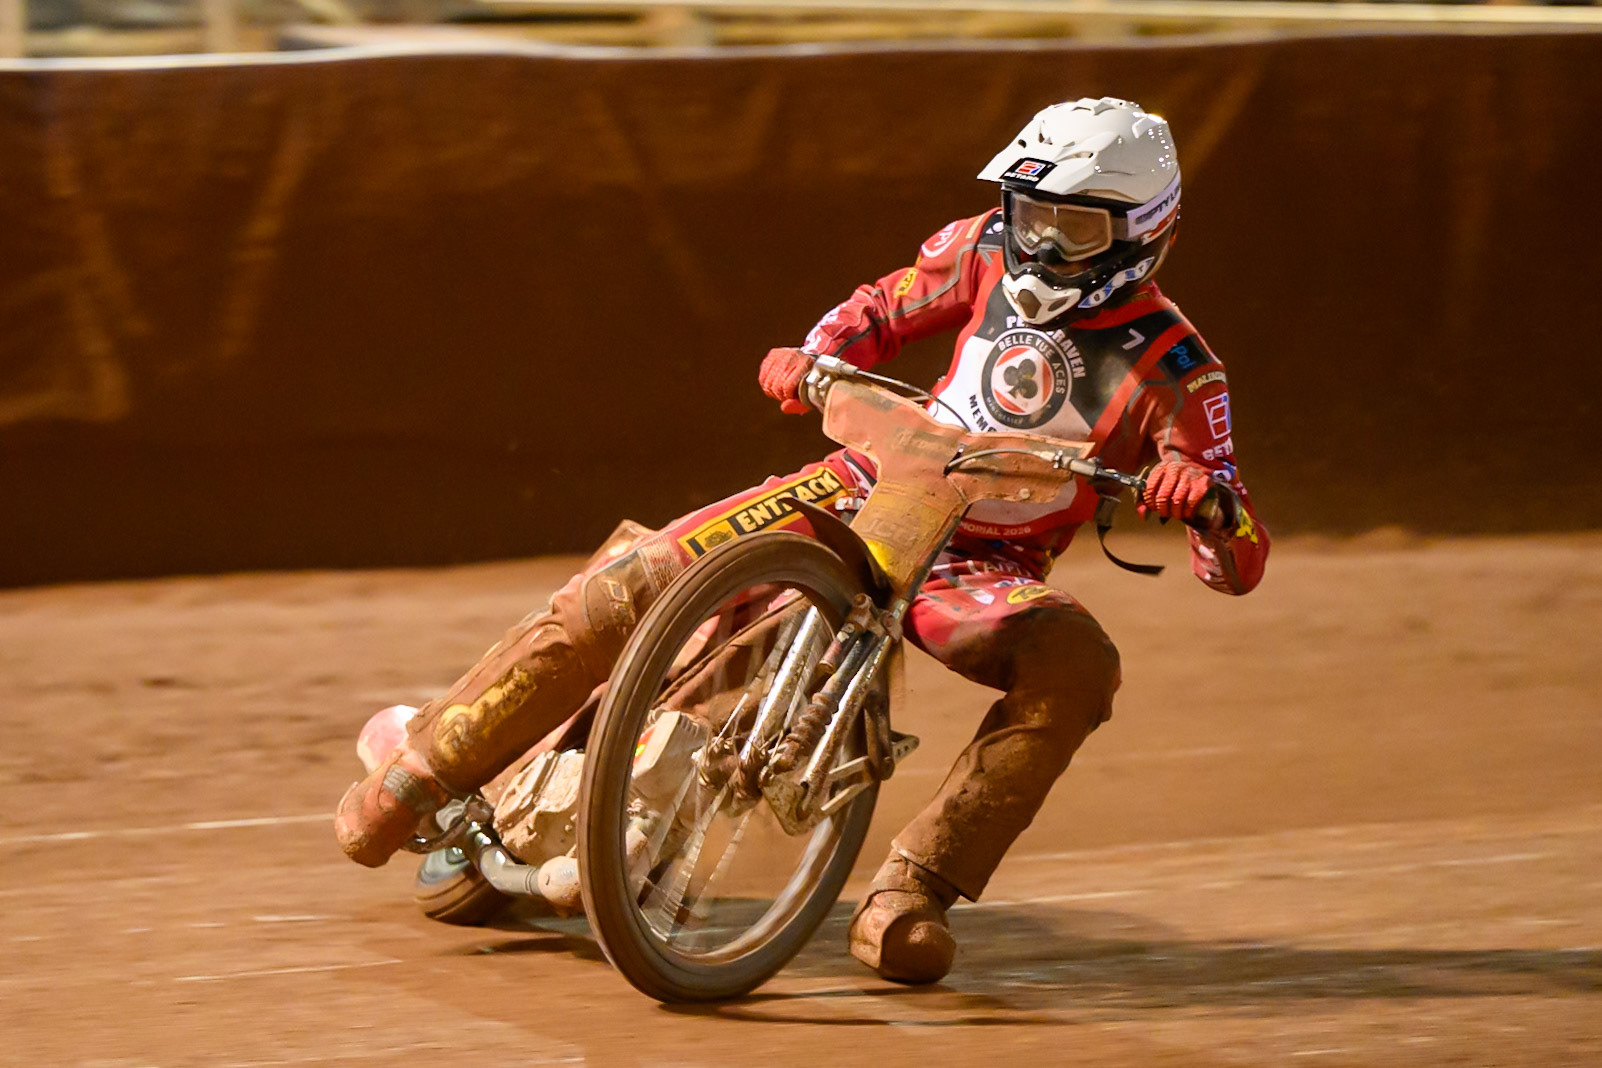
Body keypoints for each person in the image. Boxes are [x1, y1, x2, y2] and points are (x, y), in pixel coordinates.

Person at [335, 96, 1270, 984]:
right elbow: (882, 305)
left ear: (1146, 231)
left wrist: (1207, 507)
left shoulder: (1181, 369)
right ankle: (421, 772)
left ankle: (914, 892)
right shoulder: (978, 250)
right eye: (1029, 214)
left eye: (1076, 229)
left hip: (986, 564)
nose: (1040, 244)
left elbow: (1237, 560)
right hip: (864, 483)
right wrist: (816, 356)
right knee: (637, 577)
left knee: (1078, 662)